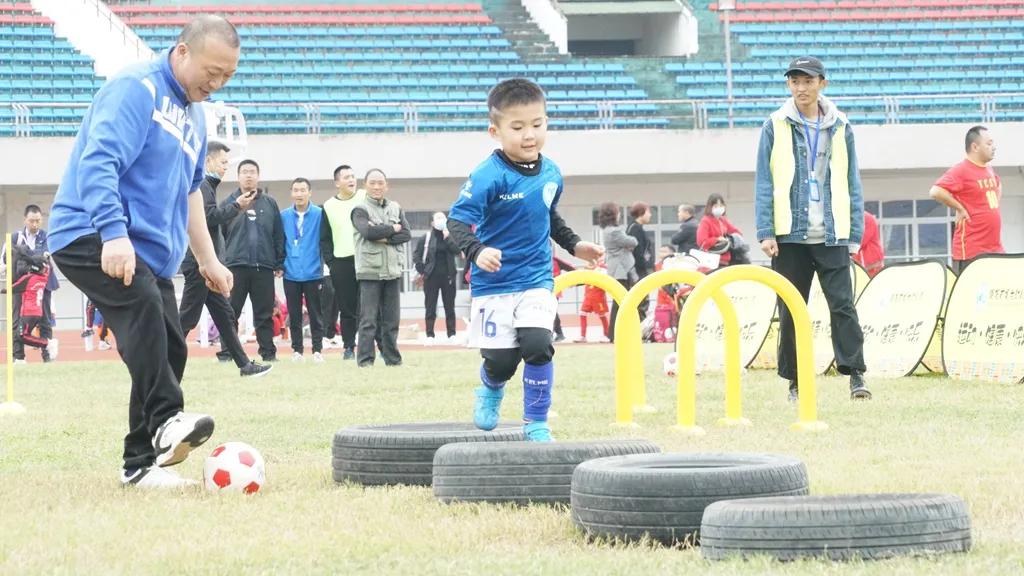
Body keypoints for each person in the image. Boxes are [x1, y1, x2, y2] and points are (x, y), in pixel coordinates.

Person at [47, 15, 239, 488]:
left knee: (170, 346)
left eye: (227, 76)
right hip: (89, 232)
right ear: (182, 52)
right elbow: (99, 159)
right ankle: (169, 419)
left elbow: (192, 193)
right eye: (211, 71)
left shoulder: (195, 115)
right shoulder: (137, 89)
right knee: (145, 310)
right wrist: (113, 233)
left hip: (145, 252)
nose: (215, 83)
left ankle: (140, 466)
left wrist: (209, 258)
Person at [447, 78, 604, 442]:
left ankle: (536, 421)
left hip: (536, 279)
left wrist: (576, 245)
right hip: (494, 283)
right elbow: (457, 220)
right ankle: (490, 385)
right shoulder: (488, 175)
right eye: (517, 127)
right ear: (495, 130)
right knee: (502, 360)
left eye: (538, 124)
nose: (529, 134)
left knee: (537, 345)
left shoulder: (551, 173)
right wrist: (477, 251)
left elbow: (549, 217)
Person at [754, 55, 870, 402]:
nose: (801, 88)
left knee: (843, 305)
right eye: (794, 82)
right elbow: (764, 180)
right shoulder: (774, 125)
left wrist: (855, 233)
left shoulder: (841, 126)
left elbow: (852, 181)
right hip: (790, 234)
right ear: (788, 85)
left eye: (808, 81)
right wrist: (765, 230)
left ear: (823, 83)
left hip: (832, 233)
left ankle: (856, 375)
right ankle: (796, 381)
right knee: (792, 307)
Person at [177, 141, 270, 378]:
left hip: (210, 265)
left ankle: (245, 365)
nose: (225, 167)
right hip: (201, 265)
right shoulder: (202, 187)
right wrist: (235, 207)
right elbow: (207, 218)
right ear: (207, 161)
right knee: (187, 318)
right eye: (222, 162)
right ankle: (162, 360)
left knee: (225, 317)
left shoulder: (208, 187)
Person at [221, 159, 285, 362]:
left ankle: (268, 353)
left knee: (264, 313)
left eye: (252, 172)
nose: (248, 175)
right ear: (238, 176)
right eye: (244, 172)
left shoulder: (270, 203)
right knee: (231, 312)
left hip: (263, 266)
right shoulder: (229, 203)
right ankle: (227, 353)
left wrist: (278, 261)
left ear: (258, 176)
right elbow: (219, 236)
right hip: (235, 266)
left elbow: (278, 234)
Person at [351, 168, 411, 367]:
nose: (377, 187)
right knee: (368, 320)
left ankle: (393, 359)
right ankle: (365, 361)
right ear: (365, 185)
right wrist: (392, 229)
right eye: (372, 183)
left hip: (393, 271)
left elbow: (407, 234)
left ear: (387, 185)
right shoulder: (359, 209)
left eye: (380, 183)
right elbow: (367, 232)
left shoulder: (396, 207)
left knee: (391, 321)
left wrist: (383, 236)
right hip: (370, 271)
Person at [929, 126, 1004, 275]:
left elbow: (998, 184)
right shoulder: (962, 170)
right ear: (975, 147)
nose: (993, 148)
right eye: (988, 144)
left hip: (995, 248)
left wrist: (993, 207)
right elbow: (936, 191)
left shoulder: (988, 169)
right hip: (971, 251)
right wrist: (960, 208)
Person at [320, 164, 365, 360]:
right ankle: (348, 346)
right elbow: (325, 238)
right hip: (342, 263)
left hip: (366, 260)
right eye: (346, 177)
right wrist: (332, 263)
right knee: (347, 309)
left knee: (370, 306)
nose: (351, 180)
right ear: (337, 182)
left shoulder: (365, 197)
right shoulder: (329, 206)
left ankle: (374, 345)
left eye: (353, 176)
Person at [5, 205, 58, 362]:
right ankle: (18, 357)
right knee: (17, 321)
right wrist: (29, 258)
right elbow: (8, 258)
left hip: (42, 285)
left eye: (38, 221)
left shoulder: (46, 237)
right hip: (20, 284)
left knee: (45, 320)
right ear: (25, 220)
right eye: (31, 221)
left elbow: (43, 260)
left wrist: (23, 253)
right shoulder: (15, 237)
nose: (35, 224)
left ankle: (47, 356)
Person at [280, 177, 325, 363]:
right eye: (296, 190)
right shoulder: (283, 216)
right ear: (291, 193)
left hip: (313, 272)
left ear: (310, 192)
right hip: (290, 272)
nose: (299, 194)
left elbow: (325, 241)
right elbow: (279, 242)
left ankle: (317, 350)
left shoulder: (319, 214)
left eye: (303, 190)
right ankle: (297, 350)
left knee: (316, 314)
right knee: (294, 313)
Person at [413, 211, 460, 343]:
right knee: (430, 307)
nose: (441, 220)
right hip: (431, 277)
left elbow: (458, 251)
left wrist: (448, 237)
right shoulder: (426, 238)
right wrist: (423, 271)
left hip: (448, 277)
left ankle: (452, 334)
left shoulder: (450, 236)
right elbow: (416, 256)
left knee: (449, 307)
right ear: (432, 223)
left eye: (443, 218)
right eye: (438, 218)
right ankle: (429, 335)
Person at [599, 201, 637, 343]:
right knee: (621, 302)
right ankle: (615, 333)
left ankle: (614, 333)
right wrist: (626, 246)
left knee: (618, 301)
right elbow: (632, 241)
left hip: (616, 268)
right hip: (620, 269)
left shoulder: (607, 230)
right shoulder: (614, 231)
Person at [696, 193, 747, 267]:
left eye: (721, 205)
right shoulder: (705, 221)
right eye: (716, 206)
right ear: (710, 207)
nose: (719, 208)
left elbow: (736, 232)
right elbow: (701, 241)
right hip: (711, 260)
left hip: (726, 259)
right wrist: (717, 239)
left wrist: (729, 239)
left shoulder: (723, 220)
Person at [626, 201, 653, 320]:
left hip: (639, 269)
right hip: (637, 270)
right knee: (641, 300)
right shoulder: (635, 228)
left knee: (642, 299)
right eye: (648, 212)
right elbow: (637, 251)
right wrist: (646, 264)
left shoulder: (636, 227)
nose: (650, 215)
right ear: (641, 213)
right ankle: (640, 328)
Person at [573, 261, 610, 343]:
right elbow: (583, 279)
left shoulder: (602, 268)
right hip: (588, 296)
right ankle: (583, 336)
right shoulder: (588, 268)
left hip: (598, 296)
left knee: (602, 315)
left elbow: (605, 279)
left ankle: (606, 335)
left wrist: (597, 268)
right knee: (582, 313)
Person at [853, 211, 884, 277]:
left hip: (872, 267)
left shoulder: (867, 219)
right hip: (863, 266)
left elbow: (860, 241)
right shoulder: (857, 218)